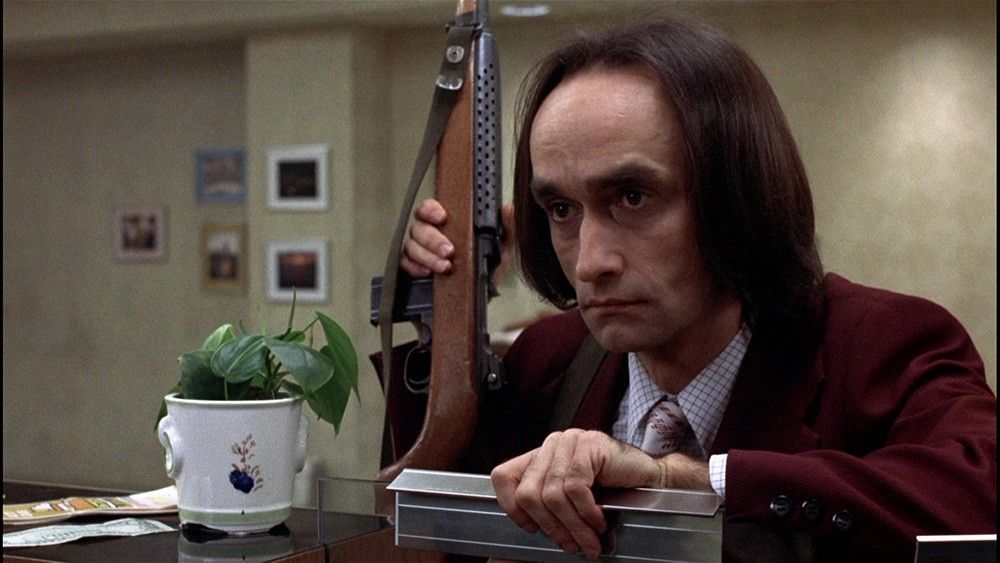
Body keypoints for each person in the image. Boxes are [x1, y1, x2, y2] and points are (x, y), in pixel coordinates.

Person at [394, 15, 996, 562]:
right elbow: (424, 524)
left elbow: (975, 502)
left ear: (737, 195)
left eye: (632, 197)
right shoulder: (549, 357)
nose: (591, 262)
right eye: (560, 209)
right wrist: (436, 313)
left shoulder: (883, 344)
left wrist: (690, 480)